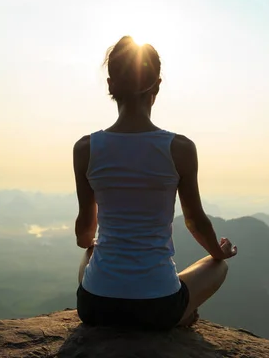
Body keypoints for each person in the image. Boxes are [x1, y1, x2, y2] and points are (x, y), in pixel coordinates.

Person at [73, 35, 238, 331]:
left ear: (110, 85)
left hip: (95, 307)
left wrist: (92, 245)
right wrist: (218, 251)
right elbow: (195, 221)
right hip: (159, 306)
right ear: (157, 85)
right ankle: (183, 314)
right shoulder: (180, 149)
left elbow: (85, 232)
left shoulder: (86, 148)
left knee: (90, 252)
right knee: (219, 267)